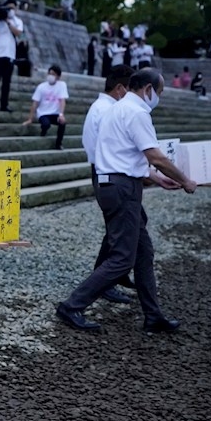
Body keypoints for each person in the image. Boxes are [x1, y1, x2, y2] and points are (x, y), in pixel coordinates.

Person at [56, 68, 197, 333]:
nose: (159, 97)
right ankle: (72, 305)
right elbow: (155, 156)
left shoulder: (116, 109)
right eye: (160, 92)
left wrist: (155, 178)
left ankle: (153, 316)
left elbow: (123, 154)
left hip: (113, 182)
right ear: (148, 89)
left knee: (143, 252)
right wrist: (185, 180)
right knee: (122, 258)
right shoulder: (137, 112)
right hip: (122, 188)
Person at [81, 65, 136, 305]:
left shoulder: (103, 107)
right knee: (118, 229)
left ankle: (114, 275)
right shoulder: (107, 110)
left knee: (120, 228)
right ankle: (104, 281)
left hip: (104, 171)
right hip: (109, 173)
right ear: (120, 88)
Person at [22, 64, 69, 150]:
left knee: (62, 123)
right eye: (50, 74)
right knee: (46, 124)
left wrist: (61, 114)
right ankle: (43, 131)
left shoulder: (62, 85)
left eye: (53, 74)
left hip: (55, 113)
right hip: (43, 113)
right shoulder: (41, 87)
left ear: (58, 76)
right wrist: (30, 119)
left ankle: (58, 144)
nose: (51, 76)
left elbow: (62, 100)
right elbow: (35, 103)